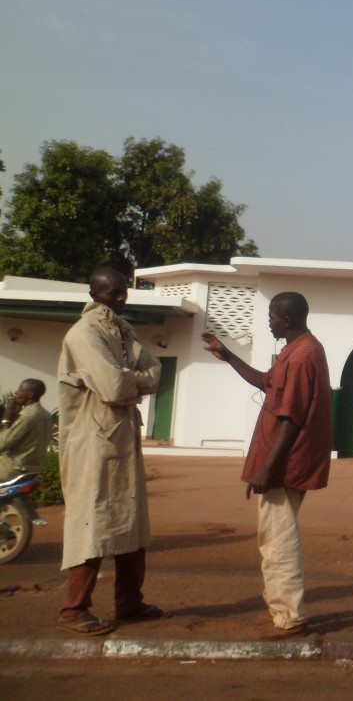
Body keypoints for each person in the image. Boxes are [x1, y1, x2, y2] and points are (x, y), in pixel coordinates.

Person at [201, 291, 332, 638]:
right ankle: (281, 605)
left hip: (284, 463)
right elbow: (266, 381)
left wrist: (267, 468)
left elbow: (291, 417)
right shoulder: (297, 350)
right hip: (281, 461)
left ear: (286, 320)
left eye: (272, 317)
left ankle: (289, 615)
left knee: (278, 539)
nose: (269, 322)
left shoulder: (303, 356)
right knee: (275, 534)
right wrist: (227, 355)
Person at [57, 267, 163, 636]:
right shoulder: (85, 333)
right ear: (93, 292)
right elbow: (114, 387)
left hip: (123, 439)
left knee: (132, 524)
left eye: (122, 292)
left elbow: (155, 369)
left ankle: (129, 603)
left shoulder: (123, 330)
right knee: (92, 524)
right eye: (111, 293)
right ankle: (74, 609)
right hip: (93, 441)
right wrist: (134, 379)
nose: (119, 298)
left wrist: (128, 378)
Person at [0, 378, 54, 482]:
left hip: (12, 468)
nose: (16, 393)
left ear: (30, 395)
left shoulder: (27, 416)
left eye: (20, 390)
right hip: (32, 469)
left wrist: (6, 421)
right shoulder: (46, 416)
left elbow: (2, 444)